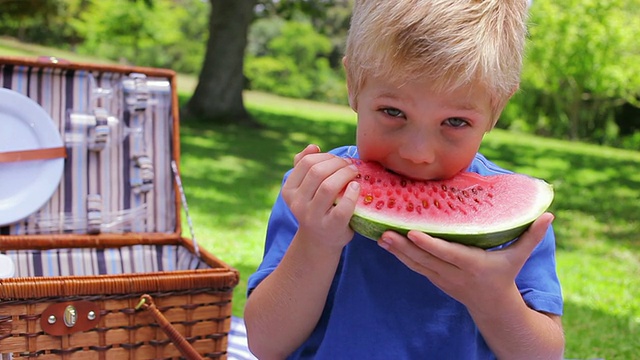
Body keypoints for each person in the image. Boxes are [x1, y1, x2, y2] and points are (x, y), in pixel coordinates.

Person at [244, 0, 564, 359]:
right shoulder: (316, 192)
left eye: (455, 122)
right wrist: (316, 242)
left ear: (497, 107)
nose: (418, 153)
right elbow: (265, 344)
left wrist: (494, 297)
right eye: (393, 112)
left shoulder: (521, 224)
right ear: (353, 85)